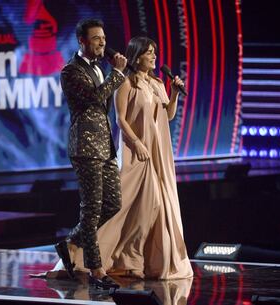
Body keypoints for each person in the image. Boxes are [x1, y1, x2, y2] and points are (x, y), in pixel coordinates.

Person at [51, 36, 193, 280]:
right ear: (137, 56)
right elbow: (120, 120)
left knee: (152, 208)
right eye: (149, 52)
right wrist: (136, 143)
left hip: (157, 151)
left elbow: (168, 116)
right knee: (131, 207)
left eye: (154, 52)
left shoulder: (158, 83)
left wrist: (175, 93)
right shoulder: (126, 83)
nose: (154, 56)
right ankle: (84, 254)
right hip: (137, 152)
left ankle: (137, 262)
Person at [55, 18, 127, 288]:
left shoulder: (100, 69)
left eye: (104, 38)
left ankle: (70, 241)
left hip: (105, 146)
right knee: (92, 209)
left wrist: (114, 74)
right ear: (82, 41)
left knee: (113, 204)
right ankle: (97, 271)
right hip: (85, 148)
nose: (103, 42)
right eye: (97, 38)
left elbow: (104, 104)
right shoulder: (70, 71)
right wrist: (116, 75)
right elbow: (95, 100)